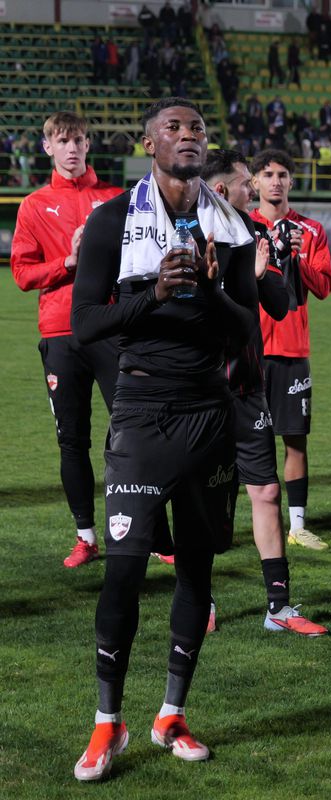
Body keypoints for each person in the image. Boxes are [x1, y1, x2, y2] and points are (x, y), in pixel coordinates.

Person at [70, 98, 259, 781]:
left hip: (208, 412)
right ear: (149, 143)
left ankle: (170, 714)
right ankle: (107, 725)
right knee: (123, 569)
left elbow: (246, 331)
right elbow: (85, 322)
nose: (188, 136)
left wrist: (207, 291)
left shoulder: (229, 225)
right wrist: (154, 292)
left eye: (199, 127)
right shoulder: (112, 221)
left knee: (197, 570)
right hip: (143, 409)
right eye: (174, 127)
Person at [201, 148, 327, 636]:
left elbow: (283, 301)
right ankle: (201, 600)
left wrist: (269, 267)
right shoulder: (190, 236)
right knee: (205, 499)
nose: (251, 189)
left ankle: (279, 607)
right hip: (204, 390)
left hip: (247, 385)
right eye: (243, 182)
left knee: (266, 489)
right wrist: (242, 284)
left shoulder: (255, 236)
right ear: (219, 190)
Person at [11, 111, 122, 568]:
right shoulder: (34, 206)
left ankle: (150, 531)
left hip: (112, 330)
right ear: (48, 148)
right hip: (60, 334)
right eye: (63, 140)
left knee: (133, 430)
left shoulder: (117, 199)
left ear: (88, 144)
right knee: (71, 440)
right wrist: (68, 263)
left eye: (78, 139)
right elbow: (21, 274)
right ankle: (86, 536)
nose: (72, 148)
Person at [249, 149, 331, 552]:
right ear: (255, 183)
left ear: (291, 182)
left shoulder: (312, 230)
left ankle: (297, 526)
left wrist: (296, 254)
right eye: (268, 174)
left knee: (295, 439)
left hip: (292, 348)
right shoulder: (244, 226)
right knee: (243, 439)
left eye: (283, 174)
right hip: (248, 348)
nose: (276, 181)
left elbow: (323, 287)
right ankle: (241, 521)